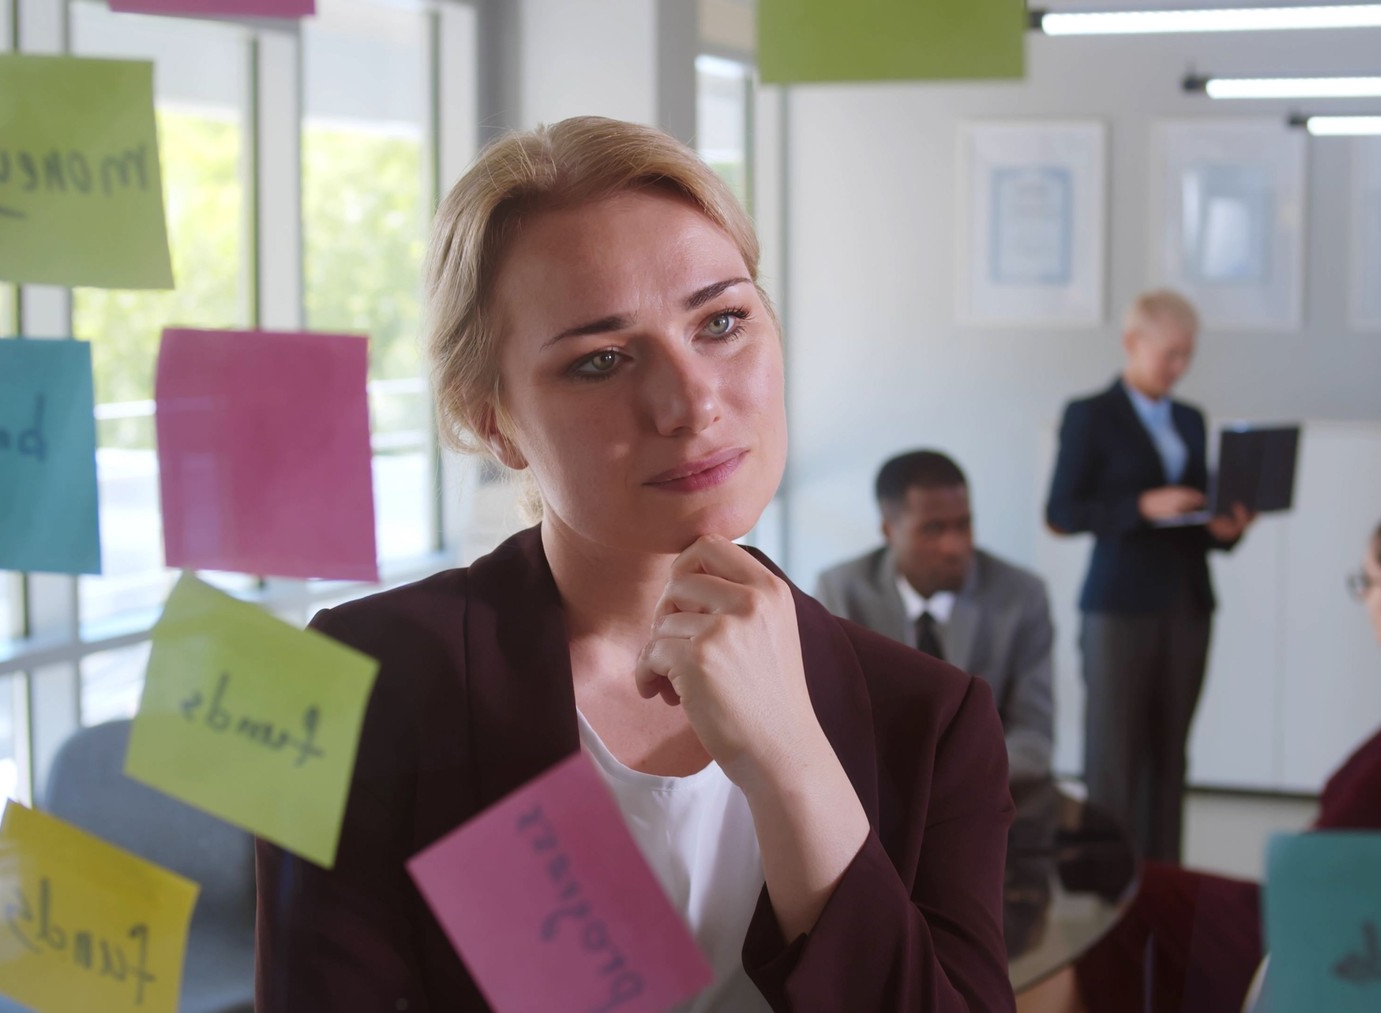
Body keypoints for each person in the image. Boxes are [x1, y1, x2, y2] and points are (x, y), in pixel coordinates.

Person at [254, 117, 1015, 1011]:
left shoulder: (932, 719)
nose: (691, 403)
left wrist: (789, 758)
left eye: (722, 321)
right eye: (602, 360)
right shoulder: (356, 682)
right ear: (490, 417)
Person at [1027, 502, 1381, 1013]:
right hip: (1322, 917)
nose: (1365, 598)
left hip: (1305, 941)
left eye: (1369, 582)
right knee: (1123, 888)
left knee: (1113, 905)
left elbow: (1317, 877)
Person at [1044, 290, 1254, 863]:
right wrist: (1141, 505)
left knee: (1170, 754)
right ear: (1132, 343)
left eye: (1188, 355)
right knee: (1115, 753)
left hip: (1187, 602)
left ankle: (1164, 879)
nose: (1180, 367)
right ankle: (1107, 882)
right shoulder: (1089, 415)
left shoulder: (1190, 418)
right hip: (1119, 606)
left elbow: (1193, 517)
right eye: (1170, 353)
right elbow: (1061, 513)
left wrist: (1225, 527)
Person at [816, 450, 1056, 780]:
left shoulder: (1020, 595)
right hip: (877, 791)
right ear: (889, 530)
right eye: (933, 529)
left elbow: (1034, 737)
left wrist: (951, 782)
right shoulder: (842, 591)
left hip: (984, 789)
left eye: (964, 525)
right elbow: (829, 719)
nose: (954, 547)